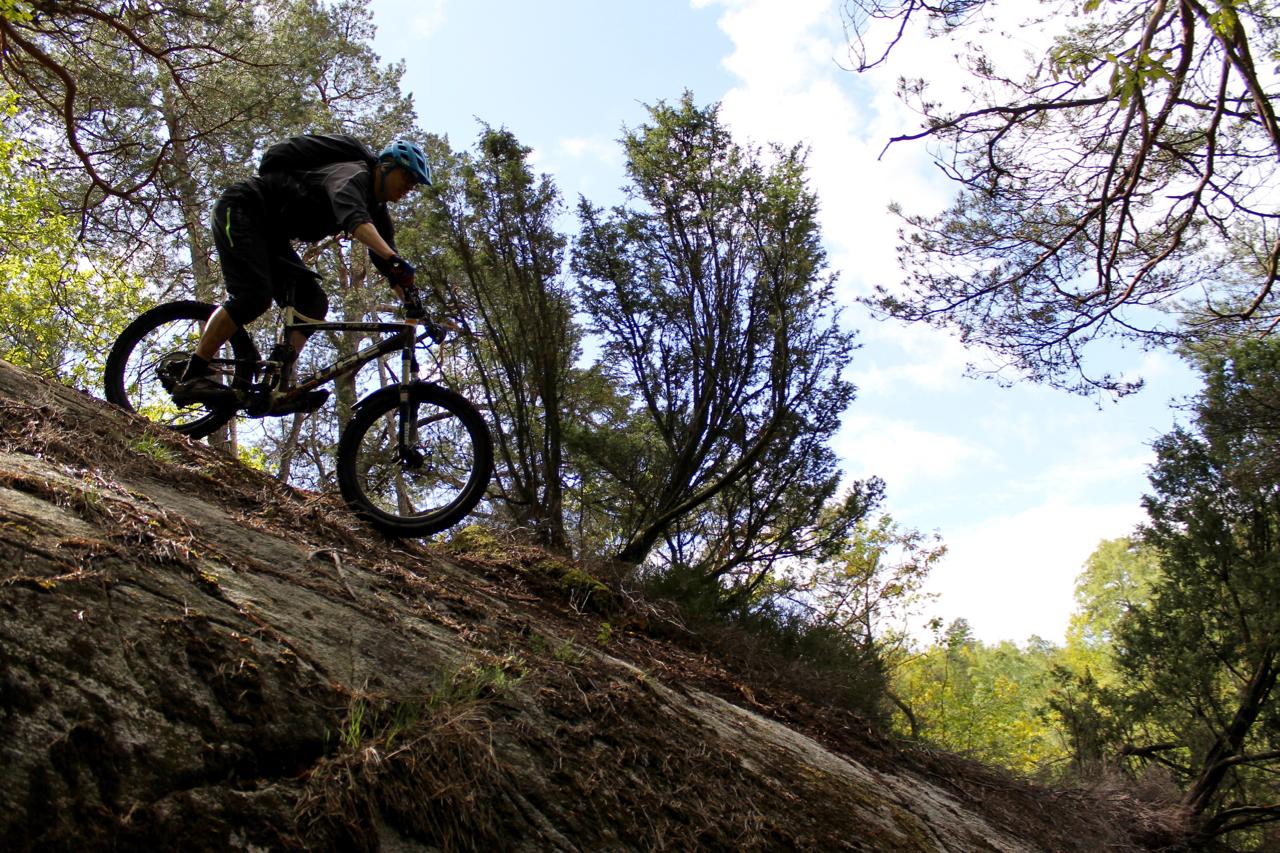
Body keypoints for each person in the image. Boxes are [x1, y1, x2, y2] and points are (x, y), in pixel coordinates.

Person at [171, 137, 431, 412]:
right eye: (407, 176)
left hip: (270, 233)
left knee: (313, 303)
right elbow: (357, 222)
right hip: (242, 208)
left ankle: (275, 387)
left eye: (414, 184)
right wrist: (394, 259)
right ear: (386, 166)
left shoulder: (376, 207)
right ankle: (193, 374)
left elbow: (387, 261)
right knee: (253, 297)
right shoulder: (354, 175)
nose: (409, 187)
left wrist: (412, 302)